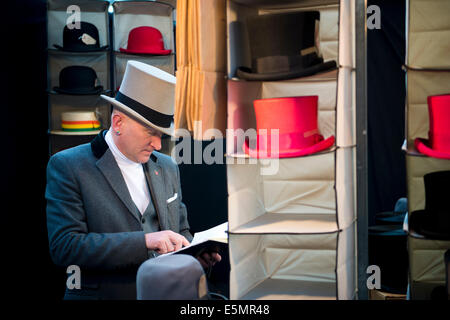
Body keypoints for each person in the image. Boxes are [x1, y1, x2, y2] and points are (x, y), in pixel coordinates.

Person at [46, 61, 221, 300]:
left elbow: (181, 231)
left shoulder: (167, 166)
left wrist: (193, 256)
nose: (158, 145)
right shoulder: (68, 166)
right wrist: (146, 241)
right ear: (118, 123)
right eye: (151, 132)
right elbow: (65, 247)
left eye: (162, 135)